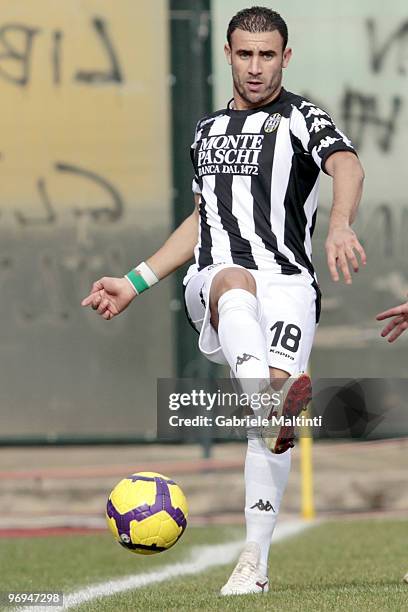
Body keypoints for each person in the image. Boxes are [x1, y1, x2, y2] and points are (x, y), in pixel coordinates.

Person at [82, 6, 366, 596]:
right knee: (233, 281)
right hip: (217, 279)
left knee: (273, 430)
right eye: (245, 54)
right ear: (229, 55)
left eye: (268, 55)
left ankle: (252, 564)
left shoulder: (304, 118)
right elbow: (200, 220)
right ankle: (266, 402)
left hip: (289, 285)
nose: (256, 67)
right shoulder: (206, 133)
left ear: (285, 58)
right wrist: (134, 282)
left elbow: (348, 165)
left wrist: (340, 223)